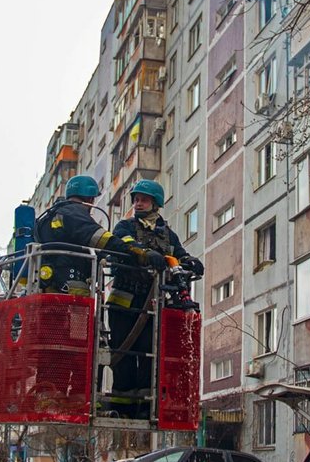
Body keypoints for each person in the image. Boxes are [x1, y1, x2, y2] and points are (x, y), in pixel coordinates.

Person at [106, 180, 203, 415]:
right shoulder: (125, 226)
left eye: (143, 199)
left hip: (152, 304)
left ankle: (144, 405)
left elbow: (178, 254)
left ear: (155, 203)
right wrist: (145, 254)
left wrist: (191, 261)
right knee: (124, 354)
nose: (138, 203)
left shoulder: (167, 234)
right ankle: (122, 407)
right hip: (124, 302)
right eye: (136, 199)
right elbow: (124, 245)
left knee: (149, 355)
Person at [33, 175, 165, 296]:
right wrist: (137, 252)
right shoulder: (75, 212)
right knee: (78, 321)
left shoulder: (47, 217)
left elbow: (76, 242)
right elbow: (100, 238)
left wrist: (103, 257)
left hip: (46, 284)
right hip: (69, 285)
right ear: (90, 199)